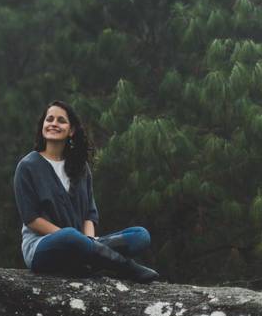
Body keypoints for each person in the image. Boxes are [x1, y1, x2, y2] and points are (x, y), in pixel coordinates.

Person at [13, 100, 158, 283]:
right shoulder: (28, 166)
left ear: (71, 130)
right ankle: (124, 267)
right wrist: (77, 241)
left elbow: (89, 214)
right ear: (43, 126)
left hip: (80, 243)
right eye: (49, 119)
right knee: (69, 236)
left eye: (61, 120)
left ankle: (86, 260)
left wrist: (88, 242)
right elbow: (31, 219)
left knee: (140, 235)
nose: (54, 124)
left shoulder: (80, 168)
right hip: (42, 247)